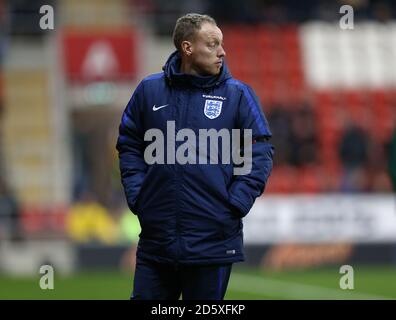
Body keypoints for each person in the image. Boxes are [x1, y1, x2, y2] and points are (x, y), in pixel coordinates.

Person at [116, 13, 274, 300]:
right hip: (157, 243)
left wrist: (235, 203)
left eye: (221, 44)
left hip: (212, 243)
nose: (222, 52)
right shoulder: (148, 91)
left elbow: (259, 150)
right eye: (212, 44)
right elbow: (129, 144)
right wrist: (139, 195)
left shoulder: (238, 95)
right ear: (187, 48)